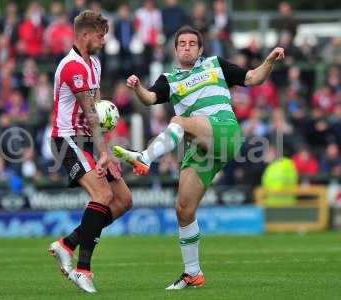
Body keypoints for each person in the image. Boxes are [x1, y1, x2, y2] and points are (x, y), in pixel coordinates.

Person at [113, 25, 284, 289]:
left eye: (193, 43)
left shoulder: (216, 65)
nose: (187, 46)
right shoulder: (169, 79)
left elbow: (252, 78)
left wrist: (269, 61)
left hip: (224, 130)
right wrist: (137, 88)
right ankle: (192, 273)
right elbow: (149, 99)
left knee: (179, 121)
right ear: (175, 49)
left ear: (201, 49)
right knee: (183, 208)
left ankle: (145, 157)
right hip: (200, 144)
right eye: (182, 43)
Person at [47, 10, 132, 293]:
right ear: (84, 35)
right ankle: (83, 270)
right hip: (67, 140)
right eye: (100, 35)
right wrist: (105, 153)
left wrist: (109, 153)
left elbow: (99, 110)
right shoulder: (72, 67)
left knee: (123, 200)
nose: (104, 40)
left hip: (87, 140)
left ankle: (67, 243)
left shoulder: (94, 63)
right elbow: (90, 114)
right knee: (103, 195)